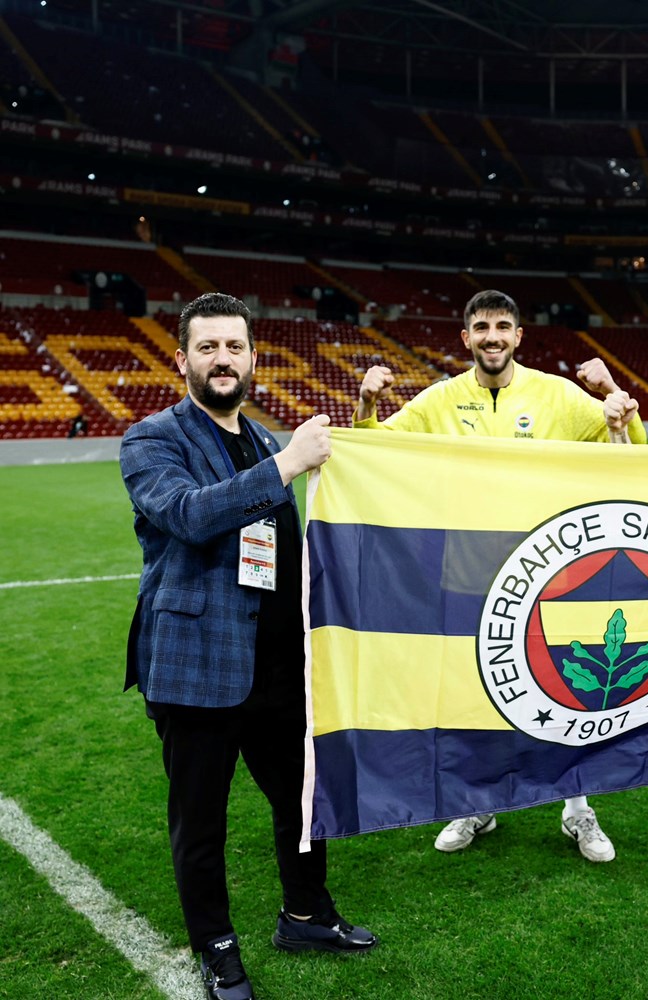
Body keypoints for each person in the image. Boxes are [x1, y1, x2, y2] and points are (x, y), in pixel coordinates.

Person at [120, 293, 378, 1000]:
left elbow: (287, 550)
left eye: (234, 346)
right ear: (182, 360)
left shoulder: (264, 440)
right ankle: (216, 948)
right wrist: (288, 464)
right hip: (196, 663)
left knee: (303, 800)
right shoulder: (151, 439)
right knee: (201, 821)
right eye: (208, 347)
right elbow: (186, 515)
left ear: (253, 357)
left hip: (278, 666)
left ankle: (306, 916)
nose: (223, 359)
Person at [354, 288, 644, 863]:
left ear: (518, 336)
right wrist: (366, 405)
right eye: (482, 327)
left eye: (503, 327)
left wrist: (616, 399)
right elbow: (373, 452)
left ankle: (577, 808)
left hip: (550, 576)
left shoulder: (558, 396)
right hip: (468, 576)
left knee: (566, 690)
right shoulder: (439, 401)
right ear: (466, 338)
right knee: (472, 695)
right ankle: (476, 802)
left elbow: (631, 452)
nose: (493, 337)